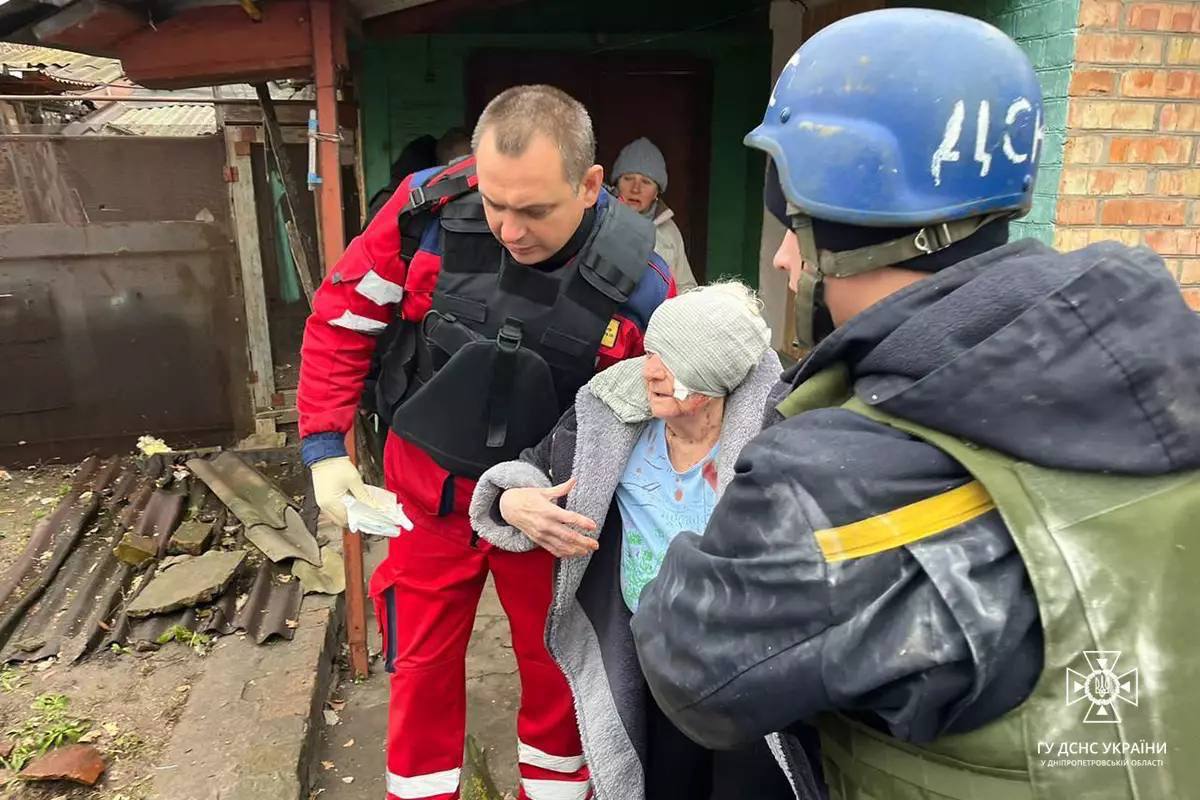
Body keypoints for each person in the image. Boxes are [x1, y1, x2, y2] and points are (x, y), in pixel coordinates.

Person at [632, 8, 1200, 800]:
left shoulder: (831, 481)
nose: (788, 255)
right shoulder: (1165, 365)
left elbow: (685, 664)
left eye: (794, 224)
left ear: (851, 232)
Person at [298, 84, 675, 800]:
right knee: (419, 669)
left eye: (534, 210)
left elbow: (668, 409)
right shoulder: (425, 214)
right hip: (427, 492)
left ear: (591, 185)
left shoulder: (642, 282)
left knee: (558, 673)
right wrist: (325, 448)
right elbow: (343, 320)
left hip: (552, 512)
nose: (508, 228)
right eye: (496, 203)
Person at [468, 283, 792, 800]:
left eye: (674, 361)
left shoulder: (780, 434)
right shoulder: (613, 414)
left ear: (719, 378)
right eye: (653, 353)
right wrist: (511, 502)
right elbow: (531, 468)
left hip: (749, 664)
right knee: (665, 784)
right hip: (654, 658)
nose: (651, 371)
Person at [613, 137, 698, 292]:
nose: (635, 189)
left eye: (646, 182)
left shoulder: (669, 231)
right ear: (616, 183)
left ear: (656, 192)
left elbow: (686, 287)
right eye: (628, 179)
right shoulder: (601, 220)